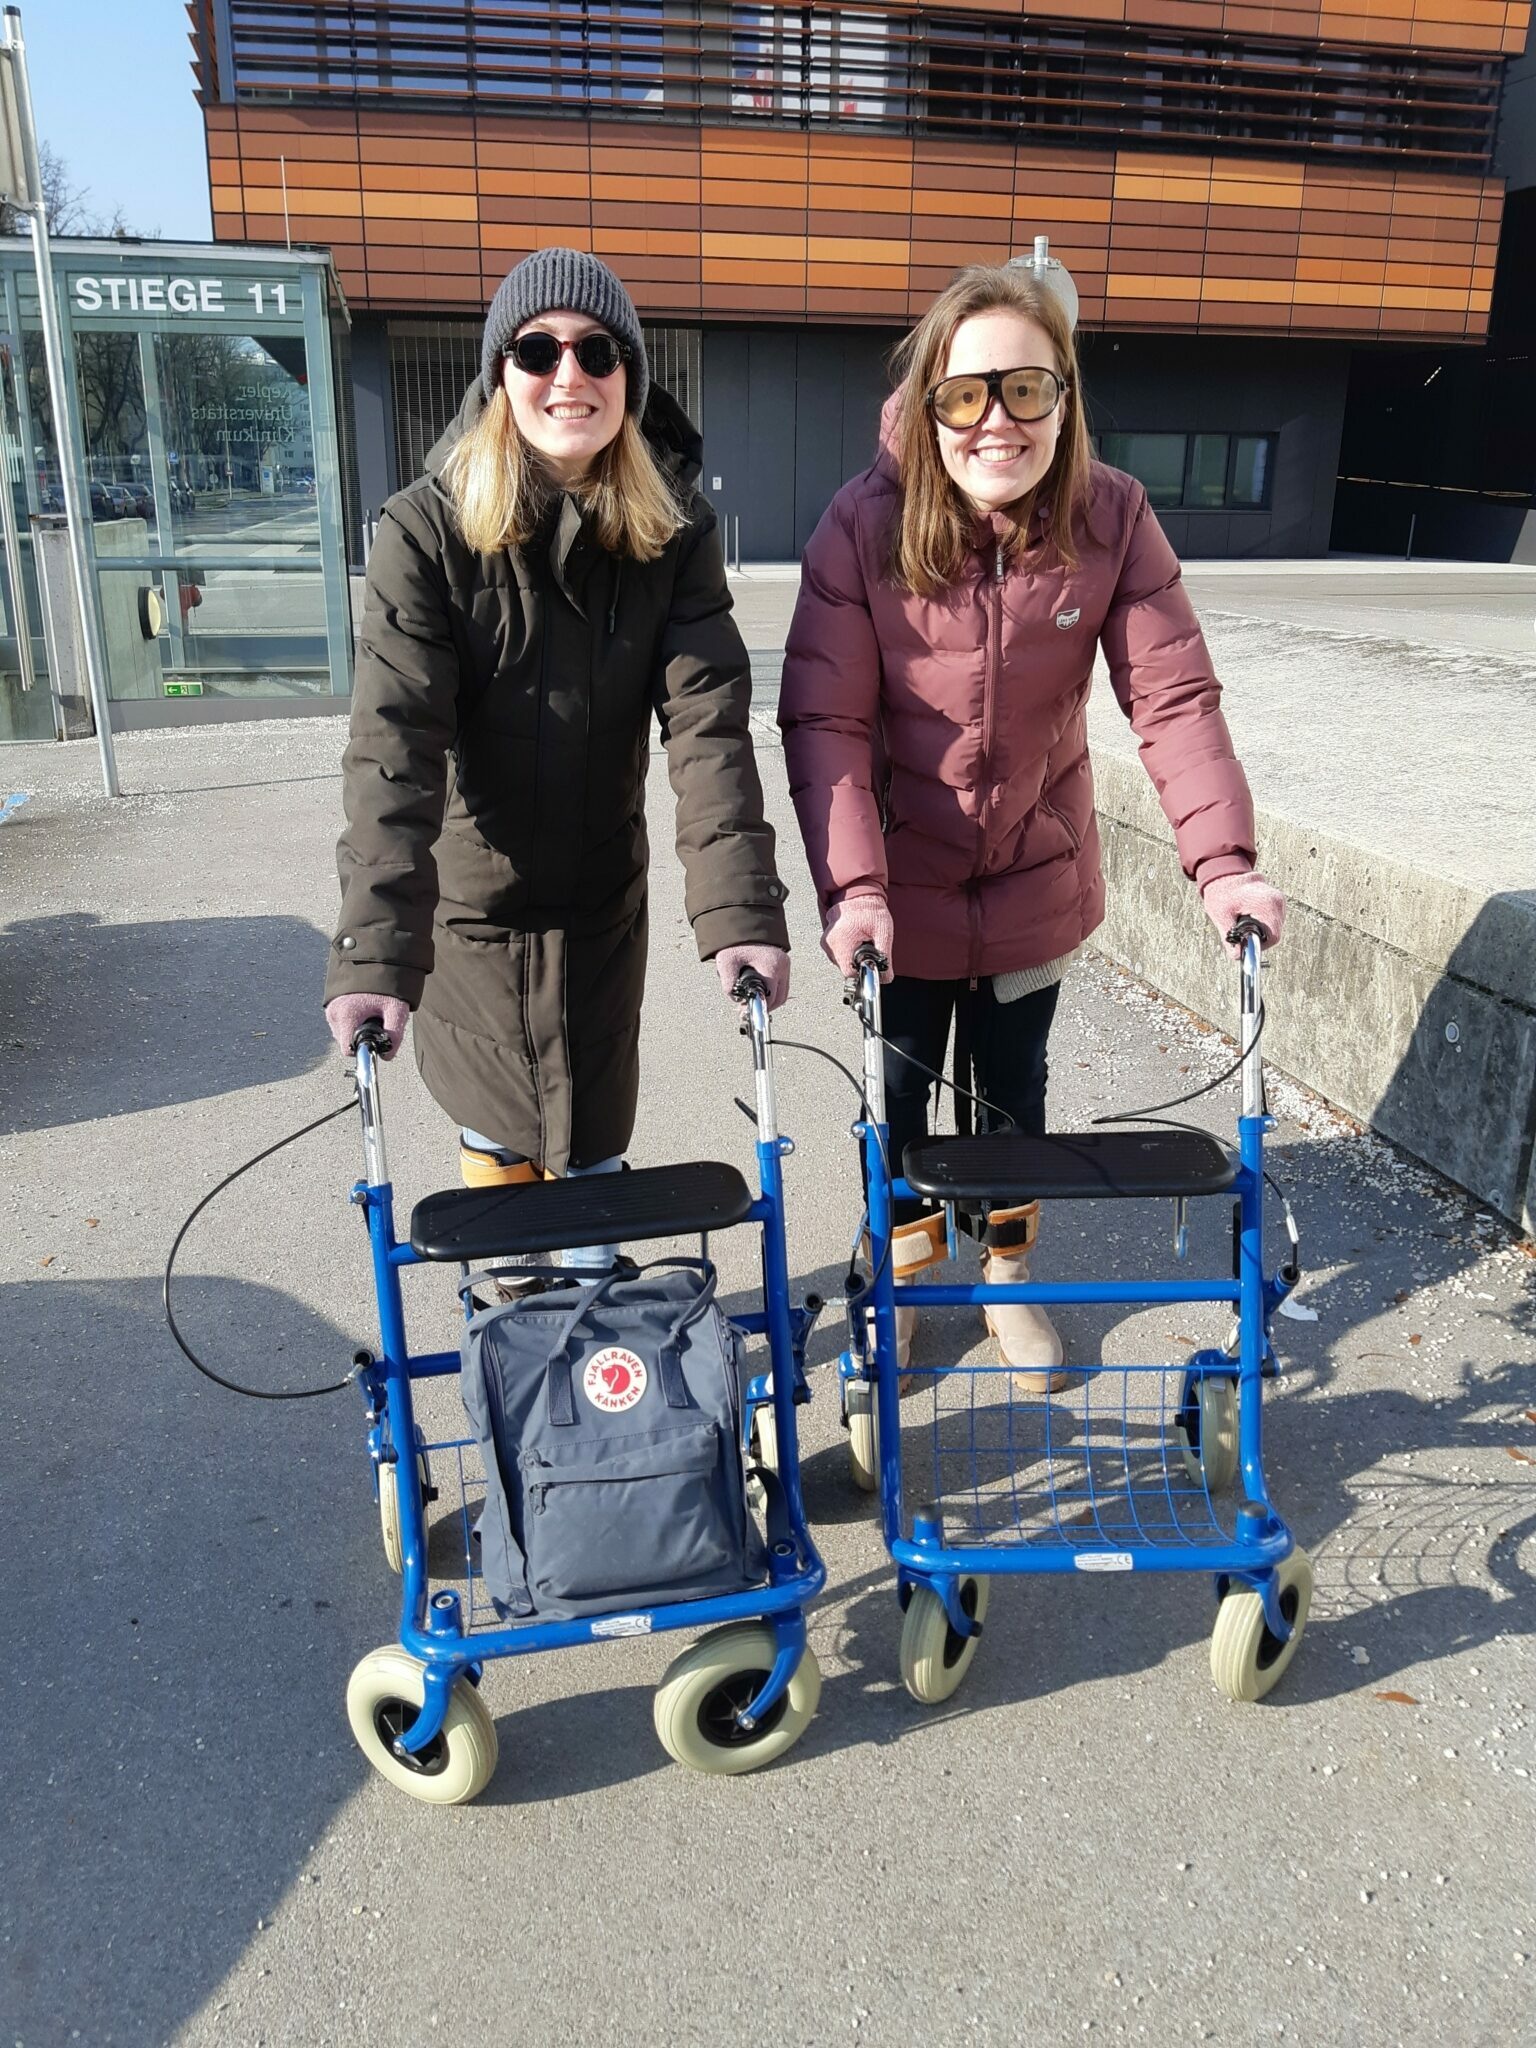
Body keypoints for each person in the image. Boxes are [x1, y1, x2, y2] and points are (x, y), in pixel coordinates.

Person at [778, 260, 1285, 1386]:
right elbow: (824, 719)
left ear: (1064, 398)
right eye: (964, 395)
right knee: (899, 1093)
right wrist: (853, 887)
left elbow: (1175, 697)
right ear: (927, 406)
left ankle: (1010, 1279)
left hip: (1034, 874)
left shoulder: (1111, 516)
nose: (994, 421)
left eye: (1025, 389)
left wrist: (1225, 864)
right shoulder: (861, 526)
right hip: (898, 888)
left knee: (1013, 1094)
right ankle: (907, 1273)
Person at [323, 249, 791, 1271]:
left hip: (598, 904)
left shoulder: (673, 531)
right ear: (501, 374)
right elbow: (393, 752)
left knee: (592, 1141)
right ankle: (520, 1335)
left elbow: (708, 727)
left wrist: (742, 914)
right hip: (472, 910)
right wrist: (374, 953)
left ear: (631, 377)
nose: (568, 374)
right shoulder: (426, 533)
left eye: (599, 351)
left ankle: (596, 1355)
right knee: (498, 1141)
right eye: (538, 350)